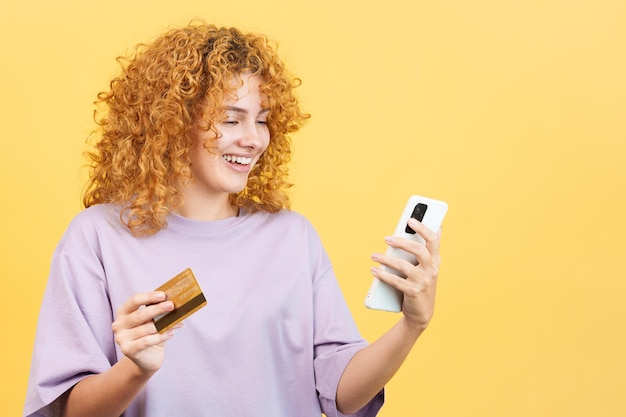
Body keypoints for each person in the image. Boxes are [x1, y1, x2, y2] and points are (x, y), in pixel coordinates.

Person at [24, 21, 443, 417]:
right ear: (172, 124)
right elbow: (68, 410)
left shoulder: (292, 238)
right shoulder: (98, 237)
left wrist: (412, 325)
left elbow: (341, 394)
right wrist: (134, 368)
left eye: (262, 120)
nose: (254, 139)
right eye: (231, 119)